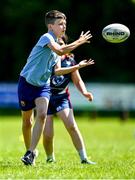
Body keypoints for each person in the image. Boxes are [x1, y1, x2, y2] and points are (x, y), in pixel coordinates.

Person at [18, 9, 94, 166]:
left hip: (43, 86)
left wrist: (77, 67)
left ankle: (30, 153)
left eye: (65, 24)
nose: (64, 27)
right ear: (51, 26)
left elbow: (57, 69)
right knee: (27, 122)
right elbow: (60, 50)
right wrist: (80, 41)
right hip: (26, 82)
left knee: (42, 115)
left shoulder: (57, 44)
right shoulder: (46, 38)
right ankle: (29, 151)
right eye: (60, 24)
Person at [43, 36, 96, 164]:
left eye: (61, 43)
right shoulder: (46, 58)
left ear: (66, 46)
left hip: (61, 97)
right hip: (45, 97)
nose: (59, 46)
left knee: (72, 126)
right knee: (48, 134)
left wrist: (85, 92)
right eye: (56, 44)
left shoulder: (70, 60)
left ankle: (84, 158)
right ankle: (50, 158)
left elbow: (77, 80)